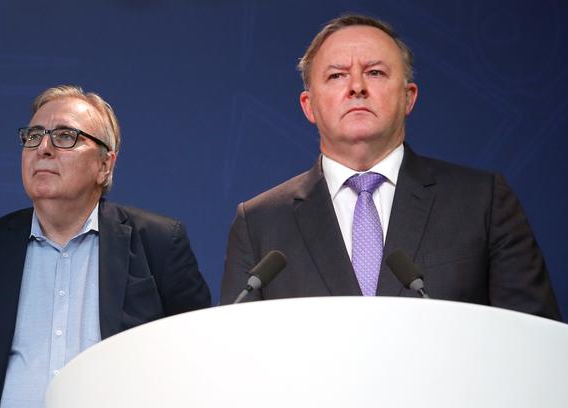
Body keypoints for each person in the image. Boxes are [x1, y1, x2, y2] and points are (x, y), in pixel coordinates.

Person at [0, 85, 212, 408]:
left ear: (106, 164)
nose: (43, 149)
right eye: (33, 136)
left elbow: (194, 362)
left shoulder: (159, 240)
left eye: (65, 136)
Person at [220, 14, 561, 320]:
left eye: (375, 72)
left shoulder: (482, 202)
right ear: (309, 106)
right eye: (337, 75)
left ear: (409, 96)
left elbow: (533, 342)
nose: (357, 87)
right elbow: (238, 356)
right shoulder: (260, 223)